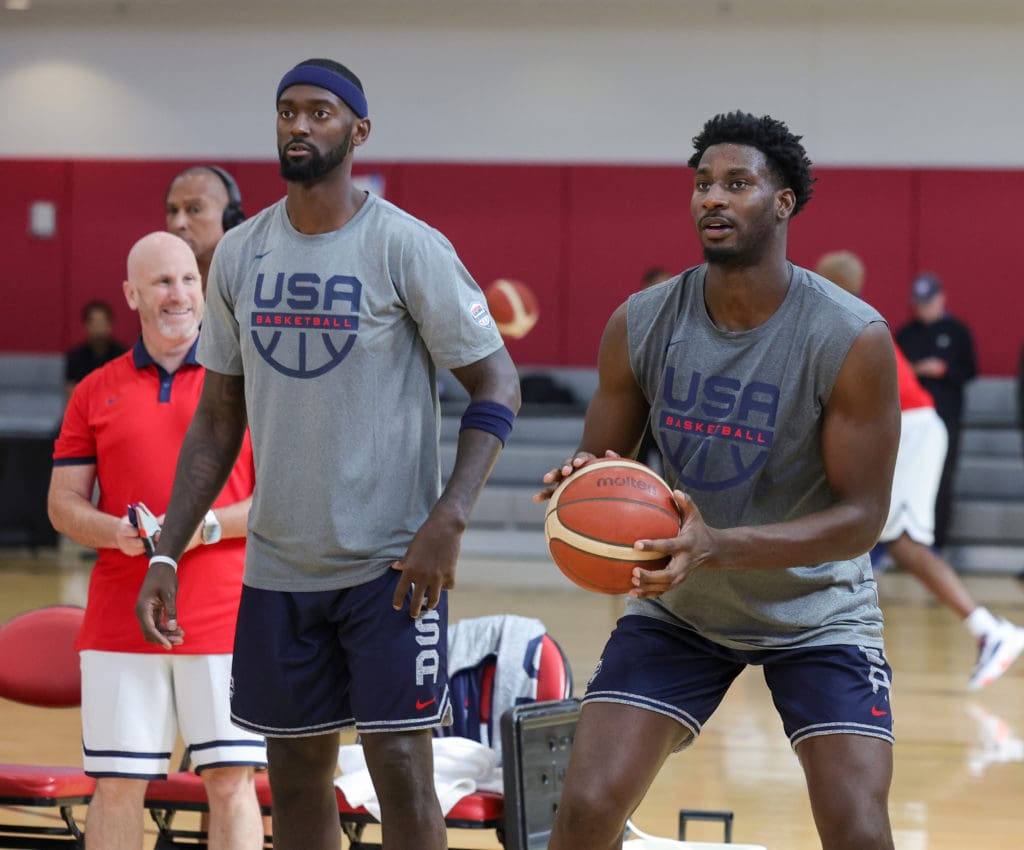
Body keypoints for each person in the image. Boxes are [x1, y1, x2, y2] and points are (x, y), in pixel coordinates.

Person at [135, 58, 521, 850]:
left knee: (403, 776)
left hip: (391, 565)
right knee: (297, 782)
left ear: (358, 130)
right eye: (287, 112)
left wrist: (448, 520)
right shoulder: (241, 255)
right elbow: (216, 420)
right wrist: (166, 552)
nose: (299, 127)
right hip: (279, 569)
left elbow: (497, 383)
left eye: (319, 112)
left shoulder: (405, 246)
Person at [538, 111, 901, 850]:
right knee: (583, 809)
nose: (712, 199)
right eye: (703, 184)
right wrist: (584, 482)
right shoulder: (641, 323)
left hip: (817, 611)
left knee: (858, 828)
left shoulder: (847, 336)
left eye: (737, 184)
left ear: (783, 201)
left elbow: (862, 520)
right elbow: (605, 465)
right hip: (683, 609)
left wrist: (716, 546)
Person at [47, 232, 266, 850]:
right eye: (163, 281)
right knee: (117, 783)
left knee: (230, 780)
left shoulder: (249, 382)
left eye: (189, 280)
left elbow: (279, 500)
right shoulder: (94, 390)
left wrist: (204, 528)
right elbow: (62, 504)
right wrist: (114, 532)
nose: (179, 294)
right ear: (132, 294)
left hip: (226, 617)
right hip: (121, 618)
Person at [817, 250, 1024, 690]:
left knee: (904, 544)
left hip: (912, 428)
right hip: (899, 429)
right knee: (864, 537)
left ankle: (990, 631)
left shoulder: (844, 322)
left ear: (828, 283)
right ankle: (829, 645)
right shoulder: (850, 318)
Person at [895, 272, 977, 550]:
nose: (924, 308)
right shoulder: (906, 334)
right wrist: (917, 370)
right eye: (919, 303)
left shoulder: (957, 331)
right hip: (907, 421)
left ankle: (936, 545)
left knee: (942, 481)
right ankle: (901, 542)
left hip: (946, 416)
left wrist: (944, 370)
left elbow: (969, 370)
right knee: (904, 481)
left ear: (941, 298)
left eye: (928, 302)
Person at [165, 165, 247, 290]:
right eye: (173, 210)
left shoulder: (252, 286)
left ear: (230, 219)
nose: (178, 223)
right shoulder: (162, 286)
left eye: (194, 209)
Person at [64, 299, 127, 399]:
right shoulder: (75, 357)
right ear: (86, 325)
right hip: (85, 408)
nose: (98, 327)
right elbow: (71, 394)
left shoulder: (123, 355)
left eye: (102, 322)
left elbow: (127, 391)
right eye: (94, 322)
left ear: (110, 325)